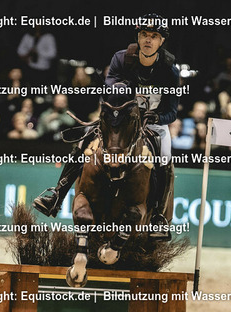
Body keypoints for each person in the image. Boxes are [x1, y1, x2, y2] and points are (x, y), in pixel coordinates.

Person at [33, 13, 179, 240]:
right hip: (119, 119)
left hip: (152, 123)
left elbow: (172, 111)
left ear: (161, 41)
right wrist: (127, 93)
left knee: (165, 157)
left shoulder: (170, 70)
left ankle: (158, 216)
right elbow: (110, 89)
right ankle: (57, 195)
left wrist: (156, 117)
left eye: (154, 36)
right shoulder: (122, 58)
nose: (148, 39)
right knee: (84, 139)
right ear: (138, 37)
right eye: (144, 34)